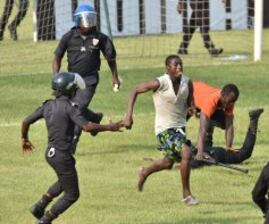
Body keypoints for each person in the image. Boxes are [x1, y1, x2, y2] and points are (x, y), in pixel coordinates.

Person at [22, 72, 122, 224]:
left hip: (50, 154)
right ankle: (45, 220)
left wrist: (25, 138)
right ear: (71, 90)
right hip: (62, 156)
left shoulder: (48, 105)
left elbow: (26, 121)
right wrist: (110, 127)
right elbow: (87, 127)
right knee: (72, 194)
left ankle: (39, 206)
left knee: (65, 180)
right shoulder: (70, 108)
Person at [122, 55, 199, 205]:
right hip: (164, 130)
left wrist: (193, 110)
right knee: (186, 152)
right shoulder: (160, 82)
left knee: (167, 163)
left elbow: (190, 104)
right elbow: (135, 90)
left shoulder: (187, 83)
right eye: (175, 65)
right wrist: (128, 116)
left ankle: (144, 172)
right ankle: (187, 195)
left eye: (180, 64)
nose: (179, 67)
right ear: (167, 68)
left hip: (180, 130)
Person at [52, 4, 122, 154]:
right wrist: (56, 76)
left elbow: (111, 59)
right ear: (77, 21)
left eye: (91, 19)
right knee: (74, 107)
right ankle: (94, 118)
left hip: (89, 80)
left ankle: (72, 143)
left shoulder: (101, 38)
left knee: (76, 110)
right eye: (85, 20)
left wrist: (115, 77)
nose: (88, 23)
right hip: (72, 79)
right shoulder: (69, 37)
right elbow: (57, 57)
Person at [191, 108, 263, 168]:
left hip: (211, 152)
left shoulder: (186, 157)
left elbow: (193, 162)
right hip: (208, 151)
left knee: (244, 154)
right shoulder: (185, 150)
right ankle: (210, 118)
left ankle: (254, 120)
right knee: (243, 154)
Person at [190, 81, 240, 161]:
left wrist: (229, 148)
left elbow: (229, 126)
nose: (227, 106)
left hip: (203, 99)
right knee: (179, 124)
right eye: (226, 103)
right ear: (222, 95)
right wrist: (200, 153)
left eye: (231, 103)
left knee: (223, 121)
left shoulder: (229, 102)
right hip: (188, 94)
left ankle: (207, 142)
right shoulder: (211, 101)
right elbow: (202, 129)